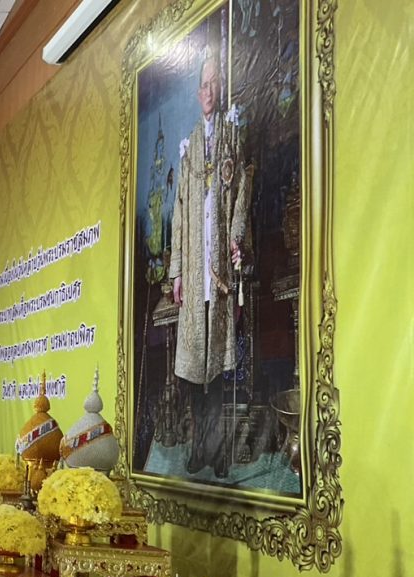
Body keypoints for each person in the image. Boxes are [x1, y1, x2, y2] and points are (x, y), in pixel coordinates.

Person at [170, 47, 252, 478]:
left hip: (219, 270)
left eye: (215, 83)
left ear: (222, 87)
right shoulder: (188, 149)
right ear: (196, 92)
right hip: (194, 270)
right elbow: (180, 212)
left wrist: (236, 239)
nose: (209, 91)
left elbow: (241, 193)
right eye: (203, 85)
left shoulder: (232, 136)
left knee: (217, 369)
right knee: (194, 371)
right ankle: (197, 449)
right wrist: (177, 272)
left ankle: (218, 453)